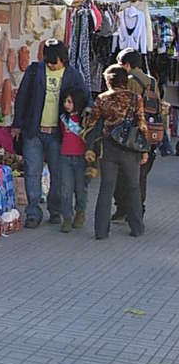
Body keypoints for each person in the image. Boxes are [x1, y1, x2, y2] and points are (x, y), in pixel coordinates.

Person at [12, 38, 90, 229]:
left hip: (59, 134)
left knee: (58, 174)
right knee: (32, 172)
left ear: (63, 59)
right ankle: (33, 213)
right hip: (34, 131)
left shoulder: (73, 75)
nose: (51, 65)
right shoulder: (34, 71)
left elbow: (85, 99)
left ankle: (55, 210)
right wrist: (17, 124)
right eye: (48, 62)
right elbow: (22, 97)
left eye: (54, 62)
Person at [86, 64, 148, 240]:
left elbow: (92, 123)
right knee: (133, 187)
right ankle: (137, 227)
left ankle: (101, 231)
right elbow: (141, 123)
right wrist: (145, 149)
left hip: (109, 148)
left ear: (109, 81)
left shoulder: (102, 98)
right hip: (130, 148)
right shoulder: (135, 98)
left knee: (106, 187)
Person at [113, 48, 160, 221]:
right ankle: (138, 209)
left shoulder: (129, 81)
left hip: (131, 134)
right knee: (141, 175)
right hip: (150, 133)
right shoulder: (152, 81)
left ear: (126, 65)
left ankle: (124, 209)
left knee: (122, 173)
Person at [59, 88, 88, 233]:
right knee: (66, 189)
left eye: (70, 102)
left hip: (81, 157)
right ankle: (67, 217)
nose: (66, 104)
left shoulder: (85, 119)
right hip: (65, 156)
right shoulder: (63, 118)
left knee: (81, 188)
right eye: (65, 101)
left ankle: (80, 212)